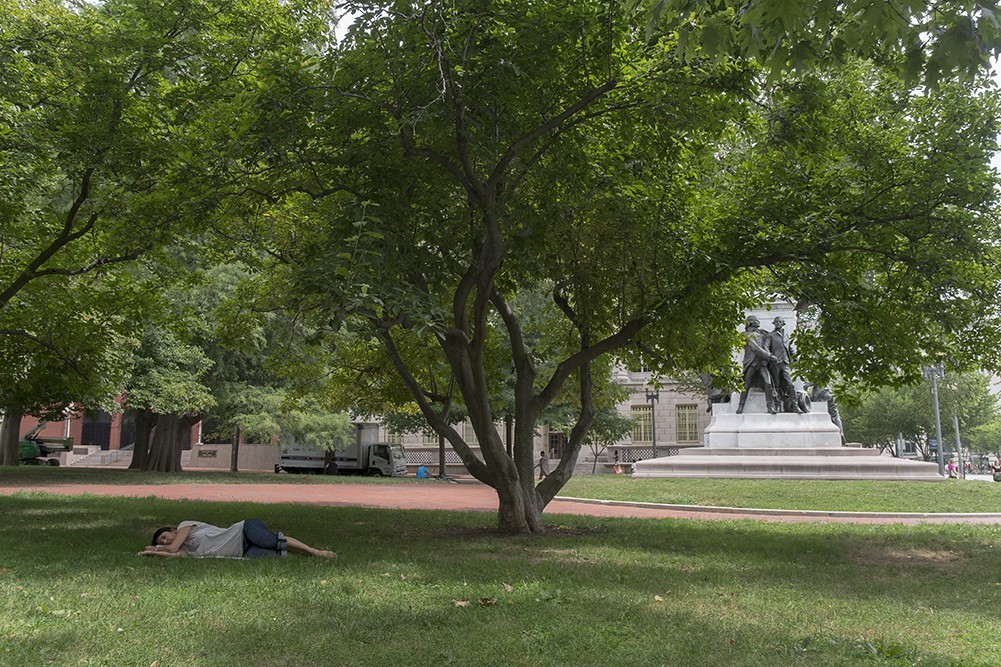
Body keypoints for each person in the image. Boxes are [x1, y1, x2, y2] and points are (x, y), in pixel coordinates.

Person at [139, 518, 336, 559]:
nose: (164, 542)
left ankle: (315, 552)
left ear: (172, 530)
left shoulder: (186, 526)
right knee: (278, 556)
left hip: (243, 530)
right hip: (243, 551)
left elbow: (172, 549)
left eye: (164, 537)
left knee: (271, 541)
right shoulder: (186, 551)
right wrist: (151, 551)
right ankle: (305, 557)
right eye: (161, 542)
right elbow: (174, 555)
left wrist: (156, 548)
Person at [735, 315, 778, 414]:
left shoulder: (762, 333)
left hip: (762, 364)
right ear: (750, 322)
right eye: (756, 320)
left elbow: (770, 341)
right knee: (746, 385)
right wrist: (770, 356)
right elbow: (755, 348)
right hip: (751, 363)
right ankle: (741, 405)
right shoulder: (747, 335)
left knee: (768, 383)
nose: (759, 322)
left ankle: (770, 406)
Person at [766, 316, 802, 413]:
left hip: (785, 363)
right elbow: (766, 348)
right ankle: (777, 405)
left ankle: (795, 405)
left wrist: (795, 358)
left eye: (780, 322)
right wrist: (770, 356)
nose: (778, 323)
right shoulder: (771, 335)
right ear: (774, 323)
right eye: (776, 322)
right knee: (776, 385)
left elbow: (790, 348)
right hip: (775, 363)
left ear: (783, 323)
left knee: (790, 384)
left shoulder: (786, 335)